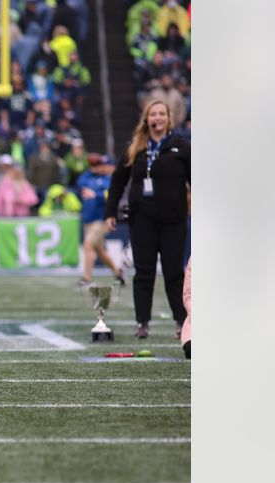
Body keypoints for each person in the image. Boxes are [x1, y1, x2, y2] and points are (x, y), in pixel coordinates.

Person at [104, 100, 190, 339]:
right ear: (147, 119)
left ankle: (181, 322)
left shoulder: (182, 147)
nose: (158, 118)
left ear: (169, 119)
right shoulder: (136, 148)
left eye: (162, 114)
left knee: (175, 273)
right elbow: (118, 180)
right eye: (154, 114)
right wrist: (110, 211)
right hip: (142, 220)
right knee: (144, 273)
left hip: (174, 220)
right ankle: (142, 323)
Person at [75, 154, 124, 287]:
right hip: (88, 218)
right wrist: (91, 169)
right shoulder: (89, 176)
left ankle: (86, 277)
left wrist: (95, 194)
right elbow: (79, 184)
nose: (99, 168)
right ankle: (117, 273)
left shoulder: (110, 180)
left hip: (102, 219)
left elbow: (110, 197)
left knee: (88, 244)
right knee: (99, 250)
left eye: (102, 165)